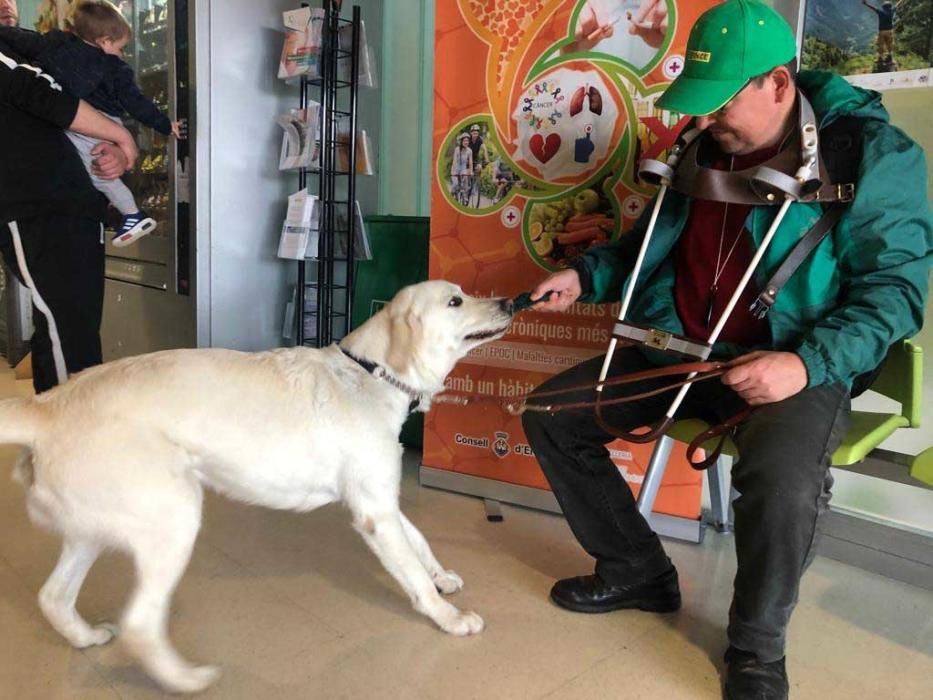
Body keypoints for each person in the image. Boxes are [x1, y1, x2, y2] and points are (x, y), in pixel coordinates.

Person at [521, 2, 932, 699]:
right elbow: (646, 246)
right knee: (551, 415)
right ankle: (637, 571)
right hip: (678, 347)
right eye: (701, 106)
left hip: (791, 360)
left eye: (720, 104)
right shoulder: (696, 145)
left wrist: (804, 364)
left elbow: (896, 291)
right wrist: (585, 275)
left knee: (782, 483)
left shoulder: (870, 154)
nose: (706, 121)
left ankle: (755, 649)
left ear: (775, 84)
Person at [0, 0, 137, 393]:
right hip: (39, 205)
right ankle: (74, 444)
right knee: (69, 336)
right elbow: (39, 97)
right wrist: (119, 135)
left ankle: (59, 446)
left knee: (69, 332)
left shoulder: (35, 48)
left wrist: (108, 149)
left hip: (72, 204)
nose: (8, 3)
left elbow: (71, 116)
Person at [0, 0, 181, 248]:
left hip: (88, 126)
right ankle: (129, 212)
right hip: (100, 123)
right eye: (122, 48)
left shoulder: (55, 45)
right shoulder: (114, 67)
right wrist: (162, 125)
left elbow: (23, 40)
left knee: (97, 174)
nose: (122, 54)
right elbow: (137, 103)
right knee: (98, 174)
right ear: (105, 41)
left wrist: (125, 139)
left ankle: (131, 213)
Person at [863, 0, 901, 65]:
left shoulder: (881, 12)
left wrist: (866, 4)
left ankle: (880, 59)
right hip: (890, 31)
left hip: (882, 31)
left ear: (883, 7)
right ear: (890, 6)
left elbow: (873, 8)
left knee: (881, 45)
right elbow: (897, 4)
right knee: (890, 44)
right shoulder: (891, 11)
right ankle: (890, 58)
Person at [451, 133, 473, 204]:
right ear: (461, 142)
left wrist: (471, 171)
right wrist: (454, 172)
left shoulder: (469, 150)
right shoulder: (457, 149)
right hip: (456, 168)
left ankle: (465, 196)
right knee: (455, 184)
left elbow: (470, 162)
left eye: (467, 141)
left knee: (465, 180)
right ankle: (452, 193)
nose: (466, 142)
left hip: (463, 169)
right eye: (464, 141)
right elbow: (454, 161)